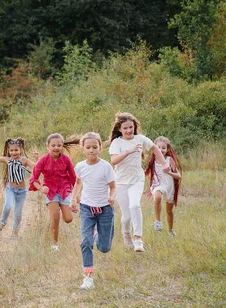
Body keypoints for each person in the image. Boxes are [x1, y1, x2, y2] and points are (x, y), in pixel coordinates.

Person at [108, 112, 169, 253]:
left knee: (135, 205)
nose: (129, 130)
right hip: (121, 182)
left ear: (134, 127)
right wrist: (128, 152)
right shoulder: (116, 143)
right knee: (126, 216)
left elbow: (154, 148)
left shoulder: (140, 139)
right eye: (125, 128)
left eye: (131, 127)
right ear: (120, 129)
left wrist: (164, 163)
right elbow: (114, 160)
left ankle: (138, 239)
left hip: (136, 179)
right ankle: (126, 233)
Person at [70, 133, 116, 289]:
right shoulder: (80, 167)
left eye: (94, 147)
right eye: (88, 147)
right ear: (83, 149)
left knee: (104, 248)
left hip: (105, 209)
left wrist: (112, 197)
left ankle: (98, 234)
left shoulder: (106, 167)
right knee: (85, 241)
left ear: (100, 148)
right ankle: (88, 277)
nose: (91, 150)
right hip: (86, 208)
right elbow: (77, 184)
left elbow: (113, 187)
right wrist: (73, 199)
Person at [29, 133, 80, 251]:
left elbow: (73, 178)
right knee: (54, 217)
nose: (56, 147)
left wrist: (76, 196)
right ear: (48, 146)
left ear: (62, 146)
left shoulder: (66, 160)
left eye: (59, 145)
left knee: (68, 219)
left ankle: (64, 211)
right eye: (53, 145)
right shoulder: (42, 160)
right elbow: (33, 179)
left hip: (65, 189)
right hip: (51, 190)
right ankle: (54, 244)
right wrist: (41, 188)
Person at [145, 136, 182, 237]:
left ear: (168, 149)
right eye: (158, 147)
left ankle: (170, 231)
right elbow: (146, 172)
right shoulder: (152, 161)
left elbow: (179, 176)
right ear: (154, 149)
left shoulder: (170, 160)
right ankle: (158, 221)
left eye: (163, 148)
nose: (161, 150)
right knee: (157, 196)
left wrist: (169, 172)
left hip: (169, 186)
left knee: (169, 211)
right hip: (158, 185)